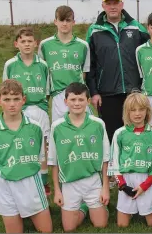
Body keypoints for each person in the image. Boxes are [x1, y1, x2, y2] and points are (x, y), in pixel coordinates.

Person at [87, 0, 151, 140]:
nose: (112, 7)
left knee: (135, 131)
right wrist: (94, 92)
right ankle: (112, 163)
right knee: (112, 134)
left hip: (133, 90)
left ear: (122, 4)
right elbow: (90, 65)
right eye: (108, 4)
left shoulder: (135, 27)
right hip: (107, 92)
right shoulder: (94, 30)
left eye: (115, 3)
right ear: (103, 6)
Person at [0, 80, 53, 234]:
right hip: (4, 184)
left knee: (46, 230)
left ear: (23, 100)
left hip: (30, 182)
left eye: (16, 99)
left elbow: (40, 157)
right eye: (7, 99)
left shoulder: (35, 127)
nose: (12, 104)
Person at [48, 82, 111, 231]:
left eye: (81, 100)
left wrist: (105, 188)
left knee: (101, 225)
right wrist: (57, 190)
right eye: (73, 100)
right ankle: (84, 208)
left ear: (88, 101)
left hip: (93, 181)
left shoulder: (98, 124)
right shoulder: (57, 126)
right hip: (69, 183)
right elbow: (54, 162)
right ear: (65, 102)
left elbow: (105, 159)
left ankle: (98, 208)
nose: (77, 103)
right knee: (69, 228)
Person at [3, 27, 51, 193]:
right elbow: (5, 88)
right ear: (17, 44)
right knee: (22, 145)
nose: (27, 44)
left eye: (30, 41)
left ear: (36, 44)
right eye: (23, 41)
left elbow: (47, 90)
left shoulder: (43, 65)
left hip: (39, 109)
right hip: (19, 110)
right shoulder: (10, 64)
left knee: (43, 145)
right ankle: (24, 180)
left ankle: (44, 182)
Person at [109, 92, 152, 228]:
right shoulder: (119, 133)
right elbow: (114, 161)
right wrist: (122, 185)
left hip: (147, 180)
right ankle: (134, 208)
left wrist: (145, 185)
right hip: (126, 180)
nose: (137, 113)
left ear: (147, 111)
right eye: (133, 110)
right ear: (127, 112)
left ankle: (145, 207)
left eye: (141, 109)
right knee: (122, 225)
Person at [38, 5, 90, 123]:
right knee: (60, 132)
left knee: (81, 130)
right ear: (55, 22)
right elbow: (43, 73)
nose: (64, 24)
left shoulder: (83, 45)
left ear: (73, 22)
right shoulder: (45, 45)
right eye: (61, 20)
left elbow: (84, 73)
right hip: (57, 96)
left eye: (68, 20)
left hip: (78, 95)